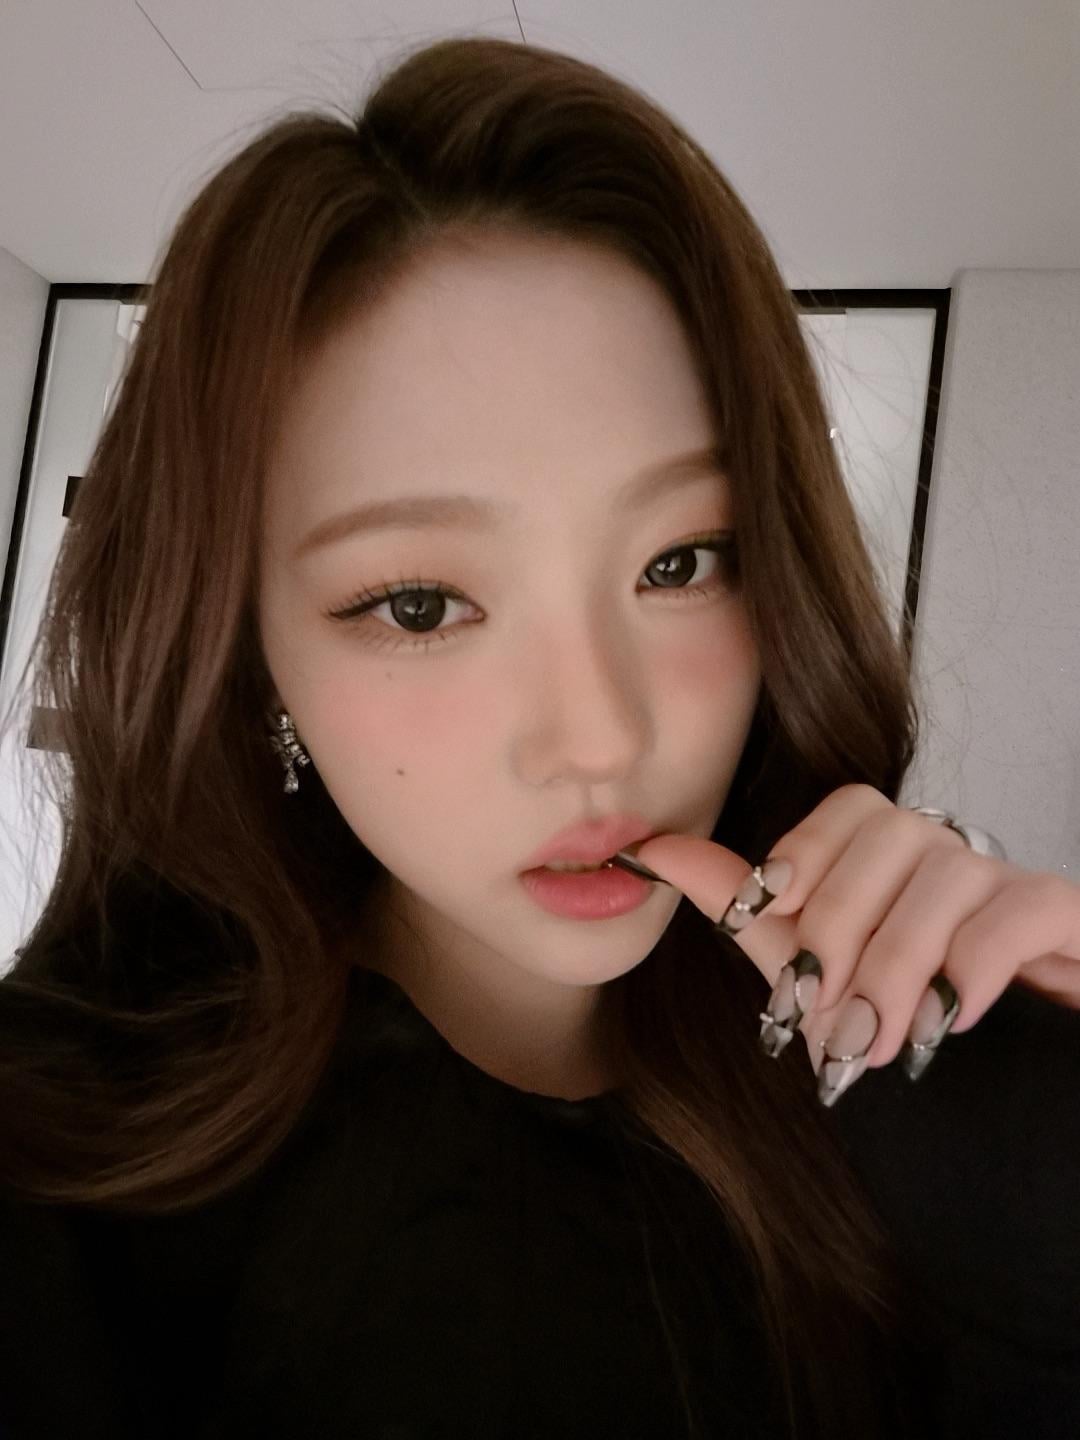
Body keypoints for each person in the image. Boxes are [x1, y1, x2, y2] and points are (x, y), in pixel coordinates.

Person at [0, 34, 1077, 1440]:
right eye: (420, 603)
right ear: (247, 650)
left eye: (681, 563)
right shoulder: (63, 1184)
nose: (600, 738)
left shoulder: (882, 1108)